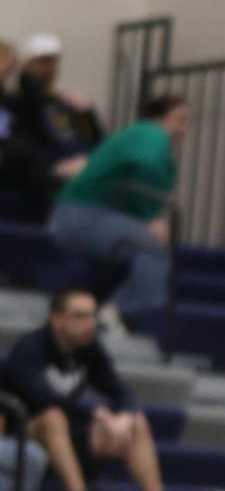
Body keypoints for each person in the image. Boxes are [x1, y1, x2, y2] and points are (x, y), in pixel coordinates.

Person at [1, 288, 179, 491]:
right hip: (25, 438)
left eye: (93, 315)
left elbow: (121, 390)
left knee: (136, 422)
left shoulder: (88, 348)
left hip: (70, 439)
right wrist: (97, 413)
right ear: (57, 319)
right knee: (54, 417)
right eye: (80, 316)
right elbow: (43, 397)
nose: (90, 323)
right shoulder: (29, 349)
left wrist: (123, 416)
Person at [50, 95, 190, 324]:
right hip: (82, 215)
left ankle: (112, 311)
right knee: (153, 250)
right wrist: (152, 216)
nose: (184, 129)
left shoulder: (139, 140)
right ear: (157, 119)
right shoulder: (150, 133)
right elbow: (147, 163)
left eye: (187, 122)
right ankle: (129, 314)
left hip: (83, 215)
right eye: (179, 120)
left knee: (147, 249)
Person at [12, 33, 102, 181]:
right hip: (46, 177)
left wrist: (87, 113)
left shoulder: (65, 102)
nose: (48, 68)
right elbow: (21, 147)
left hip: (81, 172)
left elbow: (92, 138)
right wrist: (53, 168)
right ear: (27, 65)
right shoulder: (19, 103)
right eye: (42, 62)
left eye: (52, 62)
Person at [0, 39, 54, 219]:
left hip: (11, 155)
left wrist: (26, 74)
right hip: (11, 153)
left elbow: (31, 112)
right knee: (25, 152)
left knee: (31, 147)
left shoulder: (8, 99)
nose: (7, 69)